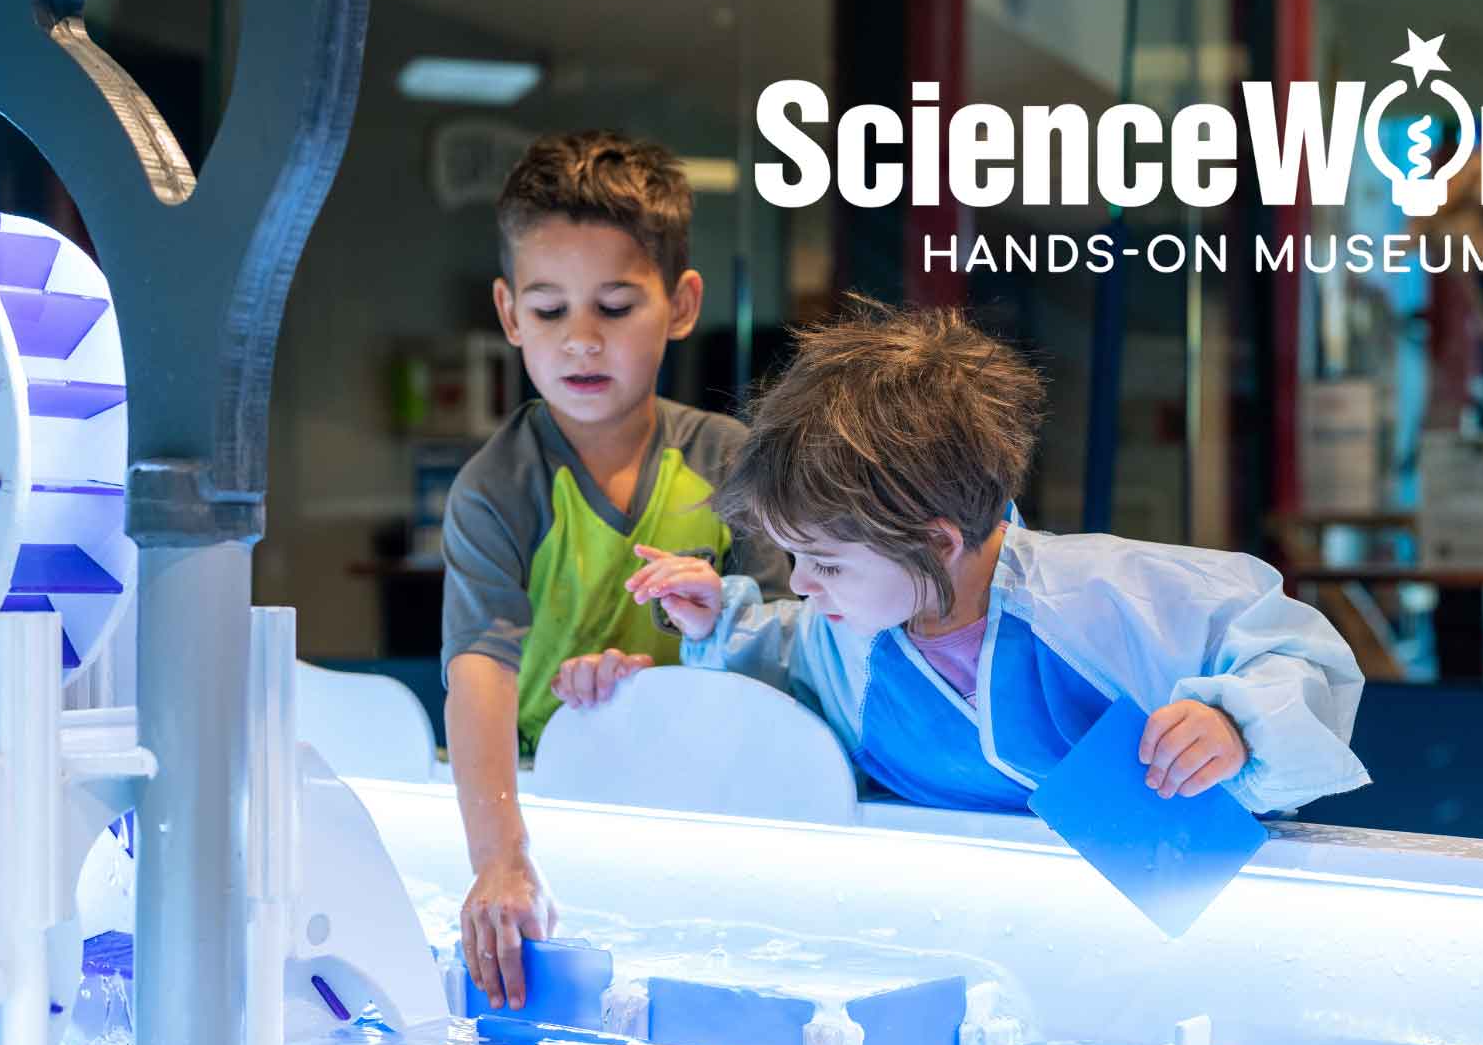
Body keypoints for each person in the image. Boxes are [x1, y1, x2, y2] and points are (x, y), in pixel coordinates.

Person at [560, 299, 1371, 817]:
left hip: (1157, 923)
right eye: (794, 557)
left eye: (826, 563)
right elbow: (789, 660)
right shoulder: (851, 630)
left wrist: (1235, 722)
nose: (803, 583)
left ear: (938, 540)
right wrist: (720, 624)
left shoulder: (1108, 598)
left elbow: (1298, 654)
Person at [442, 131, 790, 1009]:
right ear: (510, 313)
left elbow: (802, 648)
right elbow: (479, 666)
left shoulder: (733, 466)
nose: (582, 341)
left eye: (616, 306)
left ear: (679, 305)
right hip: (547, 807)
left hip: (705, 806)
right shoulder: (500, 486)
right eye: (551, 311)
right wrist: (501, 860)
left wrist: (679, 671)